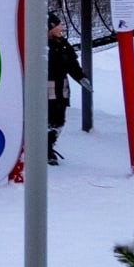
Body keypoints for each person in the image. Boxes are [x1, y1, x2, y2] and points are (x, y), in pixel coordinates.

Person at [47, 14, 88, 164]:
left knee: (59, 119)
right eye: (58, 25)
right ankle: (42, 148)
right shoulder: (40, 45)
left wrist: (81, 77)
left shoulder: (63, 44)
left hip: (61, 88)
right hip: (44, 88)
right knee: (46, 118)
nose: (62, 27)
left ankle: (49, 145)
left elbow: (72, 64)